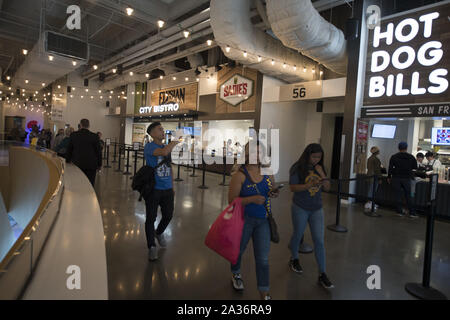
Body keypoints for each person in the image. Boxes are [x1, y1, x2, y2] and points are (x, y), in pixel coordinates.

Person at [228, 140, 279, 300]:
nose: (257, 156)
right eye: (253, 152)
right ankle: (236, 273)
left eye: (260, 152)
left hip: (263, 219)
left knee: (263, 258)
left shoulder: (268, 172)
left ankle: (264, 291)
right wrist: (250, 199)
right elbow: (232, 201)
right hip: (244, 219)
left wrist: (273, 193)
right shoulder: (239, 175)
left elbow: (271, 190)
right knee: (239, 251)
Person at [288, 143, 334, 289]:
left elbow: (327, 188)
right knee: (298, 234)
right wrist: (308, 185)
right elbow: (292, 187)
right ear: (307, 154)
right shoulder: (297, 167)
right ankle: (294, 258)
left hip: (317, 209)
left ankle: (322, 273)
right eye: (314, 156)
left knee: (319, 241)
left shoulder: (320, 168)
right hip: (300, 207)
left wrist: (322, 174)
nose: (316, 159)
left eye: (319, 157)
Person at [144, 122, 179, 261]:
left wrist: (172, 186)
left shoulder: (166, 147)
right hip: (153, 189)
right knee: (151, 218)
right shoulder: (149, 146)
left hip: (167, 189)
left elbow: (169, 167)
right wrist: (175, 141)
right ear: (152, 133)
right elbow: (164, 152)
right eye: (159, 129)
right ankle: (151, 246)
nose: (162, 131)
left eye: (163, 129)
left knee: (168, 215)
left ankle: (159, 233)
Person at [66, 119, 102, 187]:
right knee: (90, 184)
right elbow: (98, 152)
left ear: (80, 125)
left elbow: (69, 149)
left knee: (78, 184)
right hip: (91, 165)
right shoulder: (94, 136)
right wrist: (99, 164)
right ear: (89, 126)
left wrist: (67, 161)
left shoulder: (74, 135)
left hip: (77, 164)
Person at [388, 142, 418, 218]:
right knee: (408, 196)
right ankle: (412, 213)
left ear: (398, 148)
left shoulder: (394, 157)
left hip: (396, 178)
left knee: (397, 195)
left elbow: (390, 168)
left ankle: (399, 212)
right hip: (407, 178)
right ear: (406, 148)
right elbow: (415, 168)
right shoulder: (411, 157)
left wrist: (389, 177)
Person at [365, 146, 382, 210]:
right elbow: (377, 170)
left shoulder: (369, 158)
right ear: (377, 152)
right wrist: (380, 178)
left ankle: (370, 203)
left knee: (370, 190)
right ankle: (370, 204)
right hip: (374, 177)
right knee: (372, 191)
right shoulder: (376, 159)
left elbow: (368, 167)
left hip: (369, 176)